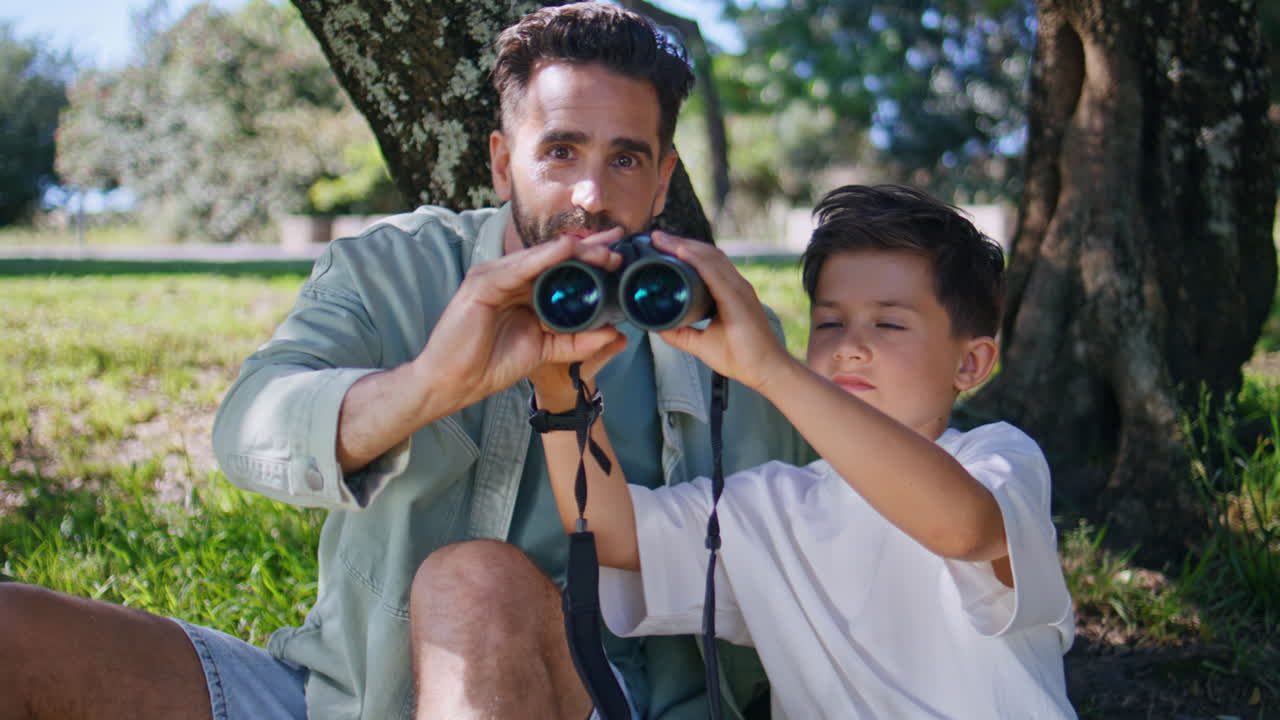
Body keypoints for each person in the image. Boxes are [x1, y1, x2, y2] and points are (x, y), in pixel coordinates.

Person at [0, 4, 809, 720]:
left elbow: (784, 578)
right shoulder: (394, 268)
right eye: (560, 151)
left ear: (664, 178)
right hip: (346, 695)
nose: (591, 195)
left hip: (607, 696)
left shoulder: (723, 330)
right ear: (501, 161)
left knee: (475, 584)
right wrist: (429, 386)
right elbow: (247, 432)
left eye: (625, 160)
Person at [535, 185, 1078, 718]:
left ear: (971, 364)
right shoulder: (777, 503)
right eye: (829, 323)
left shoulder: (998, 458)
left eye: (888, 323)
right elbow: (613, 532)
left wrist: (773, 370)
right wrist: (560, 393)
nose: (849, 347)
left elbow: (965, 530)